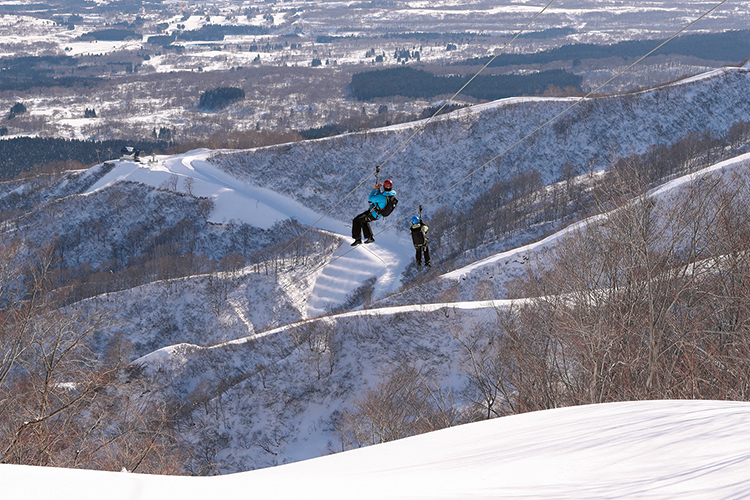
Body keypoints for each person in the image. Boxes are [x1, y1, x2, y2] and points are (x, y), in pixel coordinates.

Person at [351, 179, 396, 246]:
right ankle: (369, 237)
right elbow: (379, 196)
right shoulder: (389, 196)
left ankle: (358, 239)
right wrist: (378, 189)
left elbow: (371, 198)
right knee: (363, 221)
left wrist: (375, 190)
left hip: (373, 213)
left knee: (356, 220)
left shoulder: (382, 197)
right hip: (376, 214)